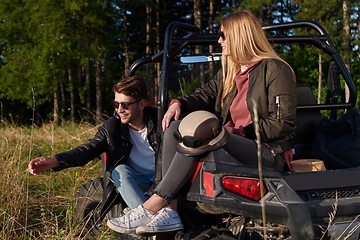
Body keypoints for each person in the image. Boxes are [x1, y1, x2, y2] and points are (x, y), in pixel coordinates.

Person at [107, 10, 297, 236]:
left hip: (265, 151)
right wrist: (179, 103)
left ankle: (152, 206)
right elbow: (205, 95)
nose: (219, 41)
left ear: (240, 36)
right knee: (176, 127)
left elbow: (282, 123)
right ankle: (170, 211)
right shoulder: (231, 70)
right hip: (228, 141)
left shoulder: (274, 68)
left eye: (223, 36)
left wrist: (236, 131)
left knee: (202, 134)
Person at [28, 76, 159, 217]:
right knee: (119, 170)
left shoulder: (161, 120)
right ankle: (147, 219)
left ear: (141, 104)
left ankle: (146, 218)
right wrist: (54, 161)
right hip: (134, 181)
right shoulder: (112, 128)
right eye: (116, 104)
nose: (119, 110)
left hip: (161, 180)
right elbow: (88, 149)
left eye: (125, 105)